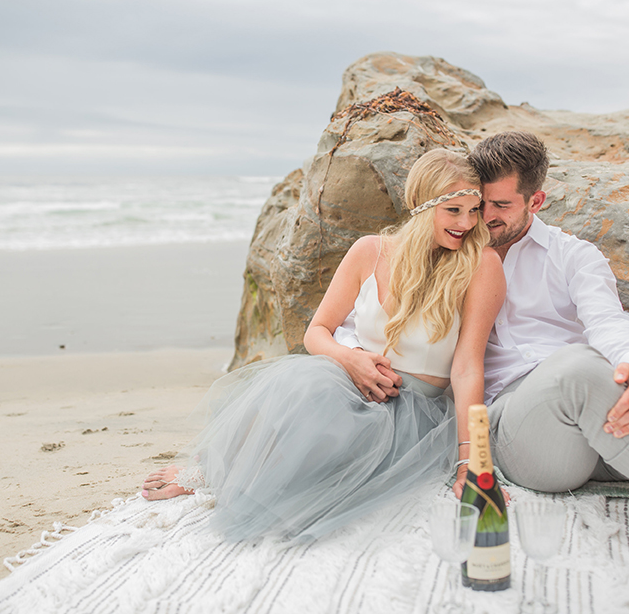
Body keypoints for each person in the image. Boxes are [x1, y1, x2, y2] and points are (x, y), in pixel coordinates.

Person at [337, 131, 629, 552]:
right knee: (577, 369)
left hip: (596, 400)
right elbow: (374, 317)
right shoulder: (450, 255)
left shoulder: (573, 256)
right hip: (516, 425)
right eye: (478, 203)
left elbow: (609, 323)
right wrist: (353, 354)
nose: (484, 217)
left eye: (499, 205)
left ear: (535, 200)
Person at [141, 148, 506, 544]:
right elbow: (316, 332)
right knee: (301, 386)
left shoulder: (481, 265)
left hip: (412, 409)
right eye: (453, 210)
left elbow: (468, 367)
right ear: (420, 205)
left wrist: (472, 461)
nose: (467, 223)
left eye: (474, 210)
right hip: (347, 377)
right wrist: (350, 360)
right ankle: (209, 469)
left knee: (307, 473)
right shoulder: (370, 251)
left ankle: (244, 478)